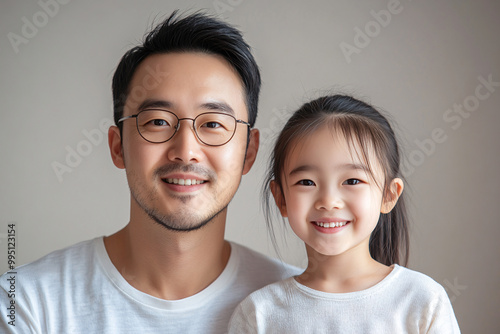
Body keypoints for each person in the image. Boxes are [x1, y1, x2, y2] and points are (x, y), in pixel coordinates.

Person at [0, 11, 299, 333]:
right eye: (158, 121)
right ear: (118, 147)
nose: (186, 150)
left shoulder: (300, 305)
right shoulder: (27, 303)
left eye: (213, 124)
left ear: (249, 152)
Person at [228, 94, 461, 333]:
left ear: (389, 195)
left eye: (352, 180)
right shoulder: (259, 313)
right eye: (307, 182)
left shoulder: (421, 301)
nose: (328, 201)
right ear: (281, 199)